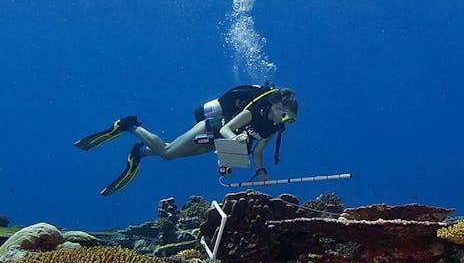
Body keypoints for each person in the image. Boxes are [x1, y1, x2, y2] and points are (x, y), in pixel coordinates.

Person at [74, 84, 298, 196]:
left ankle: (141, 152)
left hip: (217, 141)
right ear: (276, 107)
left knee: (176, 152)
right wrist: (235, 140)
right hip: (211, 129)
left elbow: (258, 151)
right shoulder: (255, 111)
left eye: (291, 120)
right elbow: (229, 127)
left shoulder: (273, 128)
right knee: (168, 153)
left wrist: (261, 173)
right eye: (285, 115)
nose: (286, 121)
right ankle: (129, 125)